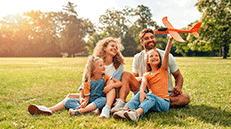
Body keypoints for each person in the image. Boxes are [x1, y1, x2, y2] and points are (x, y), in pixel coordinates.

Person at [28, 56, 122, 118]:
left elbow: (119, 83)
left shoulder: (105, 77)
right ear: (93, 70)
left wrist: (111, 86)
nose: (103, 67)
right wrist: (82, 101)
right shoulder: (87, 81)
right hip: (89, 101)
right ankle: (87, 110)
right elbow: (84, 95)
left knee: (103, 100)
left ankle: (82, 111)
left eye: (103, 65)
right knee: (68, 101)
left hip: (98, 101)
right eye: (100, 65)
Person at [113, 37, 173, 121]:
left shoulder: (163, 70)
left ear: (160, 59)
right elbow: (143, 85)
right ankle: (124, 110)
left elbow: (166, 54)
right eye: (151, 56)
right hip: (151, 102)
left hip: (164, 103)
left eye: (156, 56)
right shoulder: (146, 75)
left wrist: (170, 40)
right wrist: (141, 92)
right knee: (142, 94)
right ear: (147, 61)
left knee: (151, 95)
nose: (154, 57)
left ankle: (136, 113)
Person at [132, 28, 190, 107]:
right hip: (148, 92)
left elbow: (178, 75)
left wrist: (178, 87)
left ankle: (150, 103)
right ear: (142, 42)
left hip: (166, 93)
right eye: (146, 38)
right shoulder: (137, 57)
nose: (150, 40)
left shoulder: (167, 55)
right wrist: (144, 78)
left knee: (185, 98)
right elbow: (134, 79)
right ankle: (155, 102)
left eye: (152, 37)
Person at [92, 37, 140, 114]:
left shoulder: (118, 65)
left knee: (126, 74)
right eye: (112, 46)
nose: (114, 48)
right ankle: (104, 106)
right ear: (104, 48)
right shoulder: (97, 64)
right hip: (102, 94)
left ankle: (120, 103)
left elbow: (123, 82)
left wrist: (112, 86)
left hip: (116, 92)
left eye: (116, 47)